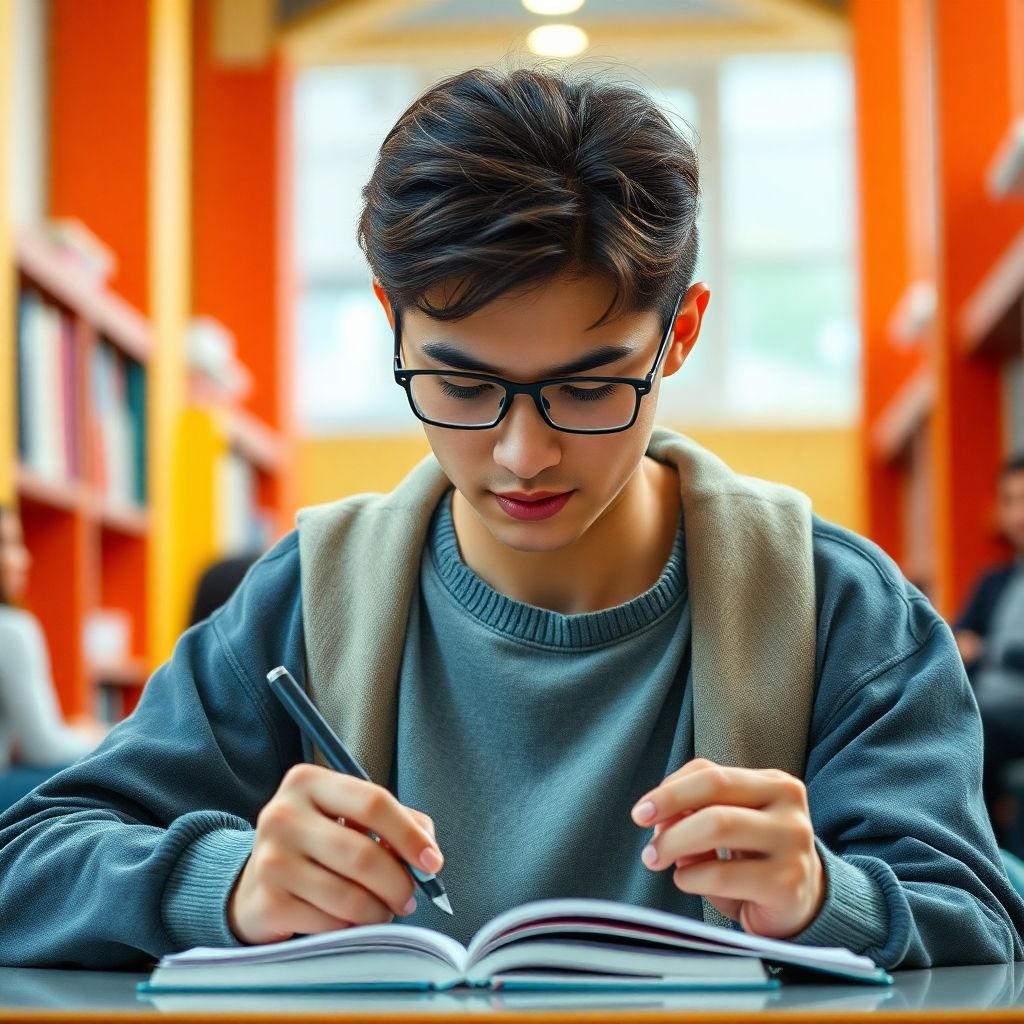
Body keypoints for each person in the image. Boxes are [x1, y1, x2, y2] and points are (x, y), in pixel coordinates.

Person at [1, 65, 1022, 971]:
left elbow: (981, 916)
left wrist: (824, 897)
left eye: (587, 387)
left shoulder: (844, 611)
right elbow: (29, 858)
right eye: (459, 384)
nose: (522, 453)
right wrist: (220, 883)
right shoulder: (307, 595)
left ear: (680, 333)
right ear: (389, 320)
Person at [0, 505, 105, 809]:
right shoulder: (12, 628)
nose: (24, 559)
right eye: (6, 545)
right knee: (106, 776)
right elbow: (42, 746)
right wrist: (100, 736)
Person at [954, 454, 1024, 832]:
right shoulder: (993, 582)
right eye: (1010, 500)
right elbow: (955, 641)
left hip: (1007, 715)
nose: (1017, 514)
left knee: (974, 729)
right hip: (985, 706)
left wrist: (988, 650)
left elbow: (976, 646)